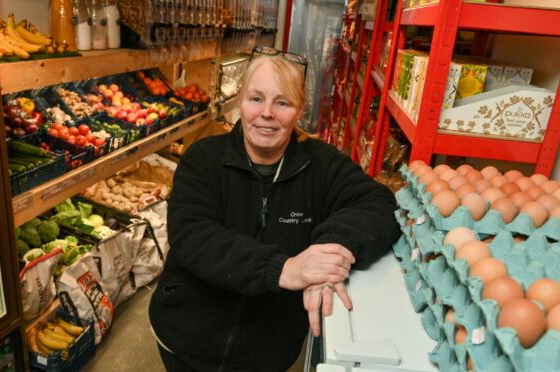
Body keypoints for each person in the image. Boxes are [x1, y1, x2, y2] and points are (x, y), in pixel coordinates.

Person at [149, 45, 401, 371]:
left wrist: (330, 249)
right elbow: (194, 235)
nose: (267, 113)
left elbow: (379, 204)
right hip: (186, 340)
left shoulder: (322, 165)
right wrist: (285, 269)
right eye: (256, 99)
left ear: (300, 110)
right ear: (240, 101)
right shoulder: (204, 159)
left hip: (265, 353)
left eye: (282, 102)